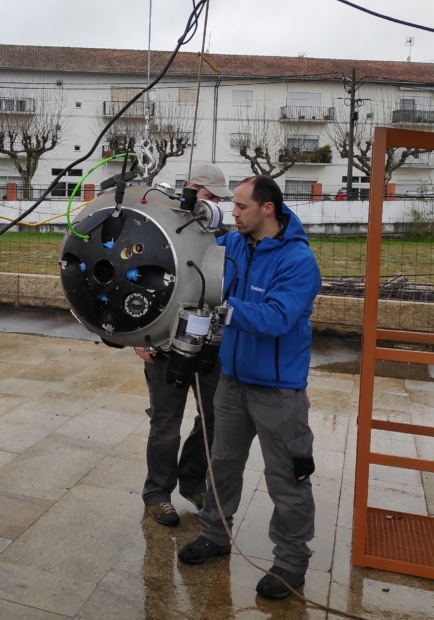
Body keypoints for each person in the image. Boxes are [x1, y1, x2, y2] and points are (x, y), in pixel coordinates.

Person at [177, 175, 322, 602]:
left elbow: (277, 318)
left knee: (286, 480)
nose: (233, 212)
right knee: (222, 465)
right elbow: (194, 262)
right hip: (232, 382)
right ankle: (214, 535)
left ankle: (291, 562)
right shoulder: (233, 246)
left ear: (267, 208)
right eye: (233, 205)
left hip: (279, 392)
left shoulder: (298, 260)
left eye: (241, 206)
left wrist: (222, 307)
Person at [135, 163, 230, 526]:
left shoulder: (220, 232)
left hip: (209, 344)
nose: (214, 204)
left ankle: (192, 480)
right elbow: (138, 279)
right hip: (164, 345)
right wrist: (138, 338)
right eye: (208, 195)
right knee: (166, 425)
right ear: (191, 187)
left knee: (215, 417)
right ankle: (157, 494)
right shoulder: (160, 224)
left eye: (219, 199)